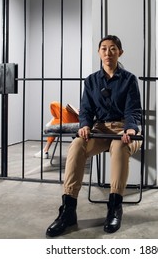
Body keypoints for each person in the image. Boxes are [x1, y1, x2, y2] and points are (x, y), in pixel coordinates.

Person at [46, 35, 142, 237]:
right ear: (99, 53)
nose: (108, 53)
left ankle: (115, 206)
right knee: (77, 144)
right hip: (100, 129)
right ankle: (68, 209)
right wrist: (85, 126)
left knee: (120, 147)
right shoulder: (91, 81)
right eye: (104, 49)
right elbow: (86, 110)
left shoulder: (129, 79)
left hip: (124, 129)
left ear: (120, 53)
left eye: (113, 48)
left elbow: (133, 110)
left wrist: (131, 129)